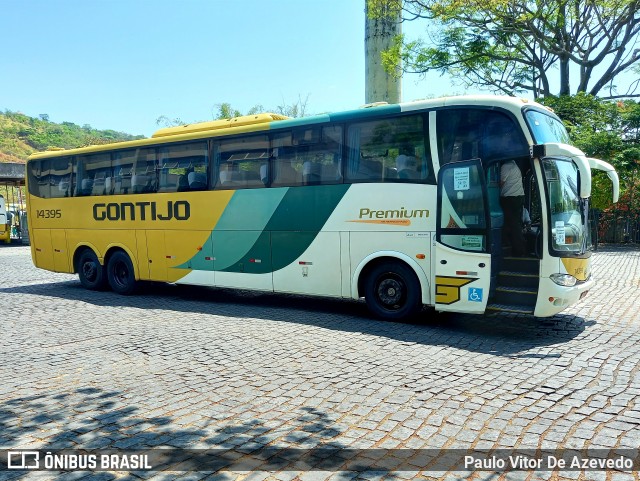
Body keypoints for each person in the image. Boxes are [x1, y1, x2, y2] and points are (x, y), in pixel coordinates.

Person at [500, 159, 526, 256]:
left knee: (512, 224)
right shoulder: (515, 165)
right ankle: (512, 246)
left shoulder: (506, 166)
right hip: (518, 197)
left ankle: (519, 250)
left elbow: (500, 183)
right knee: (513, 223)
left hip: (510, 198)